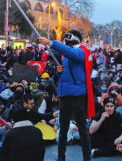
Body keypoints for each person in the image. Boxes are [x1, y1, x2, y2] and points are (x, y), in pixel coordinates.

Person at [39, 30, 94, 161]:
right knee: (62, 130)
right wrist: (59, 72)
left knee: (82, 130)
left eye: (68, 37)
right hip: (65, 95)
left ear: (76, 38)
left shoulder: (82, 51)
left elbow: (72, 54)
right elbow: (65, 75)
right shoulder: (66, 55)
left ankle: (87, 158)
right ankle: (61, 157)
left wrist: (52, 43)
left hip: (78, 96)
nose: (66, 40)